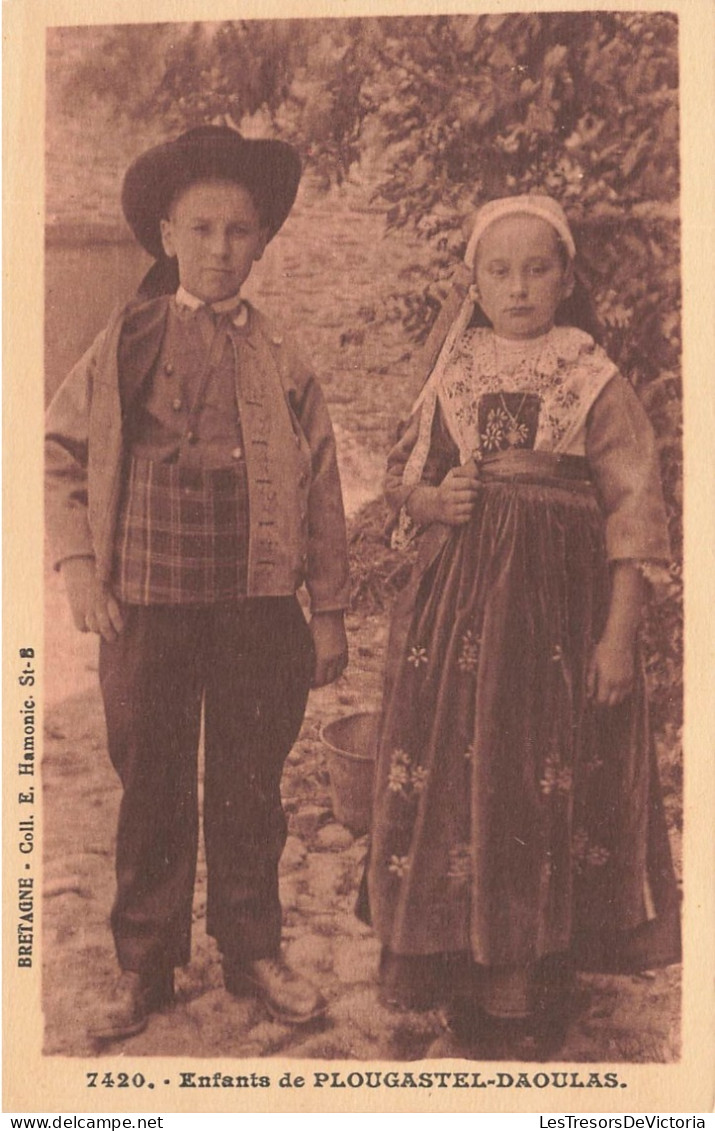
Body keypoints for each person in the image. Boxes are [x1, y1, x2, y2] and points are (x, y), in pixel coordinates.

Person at [45, 125, 350, 1040]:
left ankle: (253, 946)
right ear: (169, 235)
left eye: (240, 232)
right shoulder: (124, 340)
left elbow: (324, 482)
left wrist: (327, 610)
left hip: (256, 606)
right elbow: (62, 451)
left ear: (260, 242)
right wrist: (79, 568)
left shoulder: (282, 357)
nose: (221, 250)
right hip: (146, 602)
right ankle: (146, 963)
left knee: (253, 782)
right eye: (203, 230)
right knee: (151, 778)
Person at [361, 194, 680, 1057]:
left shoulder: (589, 377)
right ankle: (460, 962)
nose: (518, 286)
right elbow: (406, 480)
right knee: (462, 777)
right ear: (472, 281)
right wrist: (436, 498)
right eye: (497, 270)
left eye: (537, 268)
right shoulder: (453, 372)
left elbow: (632, 511)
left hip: (553, 616)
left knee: (536, 776)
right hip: (459, 616)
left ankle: (532, 972)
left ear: (566, 276)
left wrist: (617, 634)